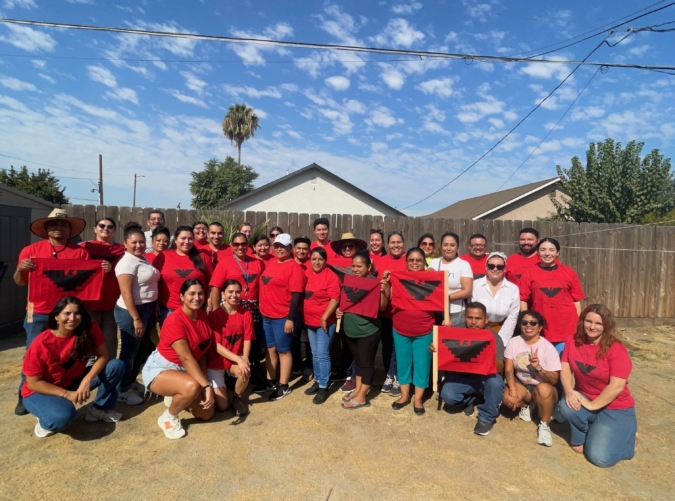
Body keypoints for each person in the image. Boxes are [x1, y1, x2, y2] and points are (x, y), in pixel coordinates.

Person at [13, 208, 95, 416]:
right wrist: (21, 269)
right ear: (46, 228)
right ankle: (26, 394)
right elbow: (20, 282)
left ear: (69, 229)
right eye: (54, 224)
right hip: (39, 311)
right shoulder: (30, 250)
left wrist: (101, 270)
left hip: (70, 315)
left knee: (68, 352)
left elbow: (88, 282)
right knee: (33, 352)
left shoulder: (81, 253)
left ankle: (58, 387)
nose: (58, 227)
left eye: (63, 224)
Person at [22, 297, 125, 438]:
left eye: (77, 313)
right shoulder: (40, 343)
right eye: (67, 314)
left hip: (73, 380)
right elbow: (34, 383)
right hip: (40, 390)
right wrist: (66, 394)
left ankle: (100, 409)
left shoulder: (89, 329)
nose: (72, 318)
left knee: (116, 365)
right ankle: (45, 418)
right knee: (62, 418)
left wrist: (87, 379)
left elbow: (103, 356)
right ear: (56, 317)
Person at [559, 304, 638, 467]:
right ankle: (583, 435)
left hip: (616, 408)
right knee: (566, 405)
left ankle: (629, 443)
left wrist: (592, 405)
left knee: (599, 458)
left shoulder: (616, 349)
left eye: (598, 323)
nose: (592, 327)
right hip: (587, 398)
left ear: (606, 326)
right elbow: (565, 366)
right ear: (582, 321)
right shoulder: (572, 341)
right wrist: (568, 391)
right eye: (588, 321)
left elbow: (616, 386)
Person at [141, 279, 215, 439]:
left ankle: (177, 393)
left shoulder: (202, 315)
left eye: (200, 293)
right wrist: (206, 386)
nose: (197, 297)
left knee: (206, 413)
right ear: (181, 296)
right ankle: (168, 417)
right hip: (162, 368)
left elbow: (201, 352)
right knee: (193, 386)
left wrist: (204, 382)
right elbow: (186, 358)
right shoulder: (175, 320)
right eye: (192, 294)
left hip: (186, 370)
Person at [433, 302, 505, 436]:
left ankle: (486, 418)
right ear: (464, 317)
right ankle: (470, 399)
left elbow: (500, 367)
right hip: (463, 376)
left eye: (478, 319)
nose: (473, 322)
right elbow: (441, 348)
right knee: (447, 396)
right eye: (470, 318)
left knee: (496, 382)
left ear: (486, 319)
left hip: (485, 377)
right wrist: (434, 348)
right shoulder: (455, 331)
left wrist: (488, 354)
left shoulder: (494, 337)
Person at [336, 251, 390, 409]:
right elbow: (345, 301)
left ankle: (362, 397)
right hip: (350, 329)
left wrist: (383, 290)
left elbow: (382, 307)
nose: (355, 269)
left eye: (359, 266)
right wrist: (340, 310)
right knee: (358, 361)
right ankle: (358, 390)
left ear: (368, 267)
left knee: (366, 363)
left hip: (368, 330)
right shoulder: (349, 280)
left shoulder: (374, 282)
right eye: (353, 266)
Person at [114, 222, 160, 406]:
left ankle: (131, 381)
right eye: (134, 242)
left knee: (140, 349)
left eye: (141, 242)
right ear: (125, 243)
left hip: (147, 308)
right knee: (129, 351)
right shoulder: (126, 262)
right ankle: (123, 389)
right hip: (132, 311)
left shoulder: (141, 259)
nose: (139, 245)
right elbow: (126, 293)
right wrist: (136, 319)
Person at [256, 233, 306, 401]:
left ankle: (284, 385)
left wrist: (291, 318)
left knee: (283, 350)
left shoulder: (294, 268)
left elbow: (296, 295)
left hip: (283, 316)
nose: (279, 249)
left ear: (290, 248)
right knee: (270, 349)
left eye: (283, 246)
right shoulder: (271, 263)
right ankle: (271, 381)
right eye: (276, 246)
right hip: (266, 314)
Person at [502, 310, 561, 447]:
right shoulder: (513, 342)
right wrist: (512, 389)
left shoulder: (547, 347)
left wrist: (538, 367)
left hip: (542, 387)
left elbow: (554, 380)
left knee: (544, 390)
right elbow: (509, 369)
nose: (528, 325)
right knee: (507, 399)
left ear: (540, 327)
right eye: (524, 322)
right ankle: (527, 404)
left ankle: (544, 425)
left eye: (533, 323)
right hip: (521, 383)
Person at [209, 232, 264, 374]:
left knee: (252, 340)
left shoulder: (256, 262)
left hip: (252, 308)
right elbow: (215, 288)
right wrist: (217, 312)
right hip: (231, 306)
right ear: (232, 246)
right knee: (233, 340)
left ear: (248, 246)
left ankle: (251, 368)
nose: (240, 247)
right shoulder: (224, 264)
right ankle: (229, 371)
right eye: (236, 244)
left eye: (243, 244)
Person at [390, 247, 436, 415]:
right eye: (411, 260)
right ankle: (404, 395)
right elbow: (389, 298)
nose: (415, 263)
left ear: (424, 262)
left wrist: (433, 274)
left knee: (422, 365)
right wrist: (387, 282)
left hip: (424, 330)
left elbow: (441, 296)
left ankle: (418, 399)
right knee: (403, 363)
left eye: (418, 260)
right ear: (406, 262)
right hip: (400, 329)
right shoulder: (398, 278)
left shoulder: (431, 278)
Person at [520, 237, 585, 354]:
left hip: (566, 326)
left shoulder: (569, 272)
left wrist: (579, 323)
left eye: (551, 250)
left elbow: (576, 300)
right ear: (538, 252)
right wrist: (525, 321)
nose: (547, 253)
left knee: (564, 363)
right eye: (543, 250)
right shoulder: (530, 273)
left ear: (557, 252)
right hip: (541, 326)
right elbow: (523, 299)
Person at [80, 217, 126, 360]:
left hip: (112, 300)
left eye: (110, 226)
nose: (106, 229)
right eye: (102, 226)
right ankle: (88, 369)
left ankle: (109, 366)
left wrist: (112, 269)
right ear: (95, 229)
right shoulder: (83, 247)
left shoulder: (122, 250)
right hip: (89, 301)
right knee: (88, 334)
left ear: (115, 230)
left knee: (110, 336)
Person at [329, 232, 368, 394]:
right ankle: (346, 370)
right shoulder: (333, 263)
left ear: (356, 247)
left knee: (356, 346)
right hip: (342, 307)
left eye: (350, 246)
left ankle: (354, 375)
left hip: (360, 310)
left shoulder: (360, 263)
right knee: (346, 343)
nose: (347, 249)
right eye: (344, 247)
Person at [206, 279, 253, 416]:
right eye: (230, 292)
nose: (234, 295)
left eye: (237, 292)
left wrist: (244, 358)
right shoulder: (215, 316)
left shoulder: (246, 314)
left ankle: (237, 397)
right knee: (222, 407)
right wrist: (239, 360)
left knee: (245, 371)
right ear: (223, 294)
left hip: (234, 358)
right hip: (217, 361)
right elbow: (217, 346)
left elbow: (247, 338)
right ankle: (212, 387)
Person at [153, 226, 214, 324]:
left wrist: (209, 303)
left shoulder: (203, 257)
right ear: (176, 240)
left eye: (190, 239)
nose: (187, 241)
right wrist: (155, 305)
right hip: (169, 309)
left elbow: (211, 283)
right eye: (183, 238)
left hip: (197, 308)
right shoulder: (163, 257)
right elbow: (154, 283)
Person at [303, 248, 340, 404]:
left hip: (325, 322)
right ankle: (318, 381)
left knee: (323, 353)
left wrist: (325, 316)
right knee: (314, 353)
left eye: (320, 259)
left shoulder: (331, 276)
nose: (317, 262)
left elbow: (335, 298)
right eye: (314, 259)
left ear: (325, 261)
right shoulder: (306, 273)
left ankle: (324, 385)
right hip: (310, 321)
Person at [376, 230, 408, 396]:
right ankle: (389, 374)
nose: (396, 245)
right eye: (393, 242)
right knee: (388, 345)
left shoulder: (410, 259)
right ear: (387, 245)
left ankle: (398, 377)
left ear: (403, 243)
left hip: (403, 312)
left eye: (399, 242)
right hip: (386, 312)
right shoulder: (381, 261)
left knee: (399, 347)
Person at [471, 251, 520, 346]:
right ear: (486, 267)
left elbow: (513, 316)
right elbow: (472, 311)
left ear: (504, 268)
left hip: (501, 329)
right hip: (479, 329)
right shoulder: (475, 285)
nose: (495, 269)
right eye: (491, 266)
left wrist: (502, 340)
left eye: (500, 267)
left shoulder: (513, 289)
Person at [428, 232, 474, 327]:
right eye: (445, 245)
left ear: (457, 247)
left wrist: (445, 298)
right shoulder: (434, 262)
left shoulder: (463, 265)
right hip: (434, 312)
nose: (448, 248)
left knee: (453, 341)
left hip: (456, 313)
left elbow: (467, 291)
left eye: (452, 245)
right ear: (441, 246)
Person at [292, 235, 313, 379]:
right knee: (294, 340)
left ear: (309, 250)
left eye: (304, 248)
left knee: (308, 341)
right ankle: (297, 366)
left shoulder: (312, 265)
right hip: (293, 309)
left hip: (308, 309)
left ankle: (310, 367)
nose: (301, 251)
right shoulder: (289, 264)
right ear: (294, 249)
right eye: (298, 248)